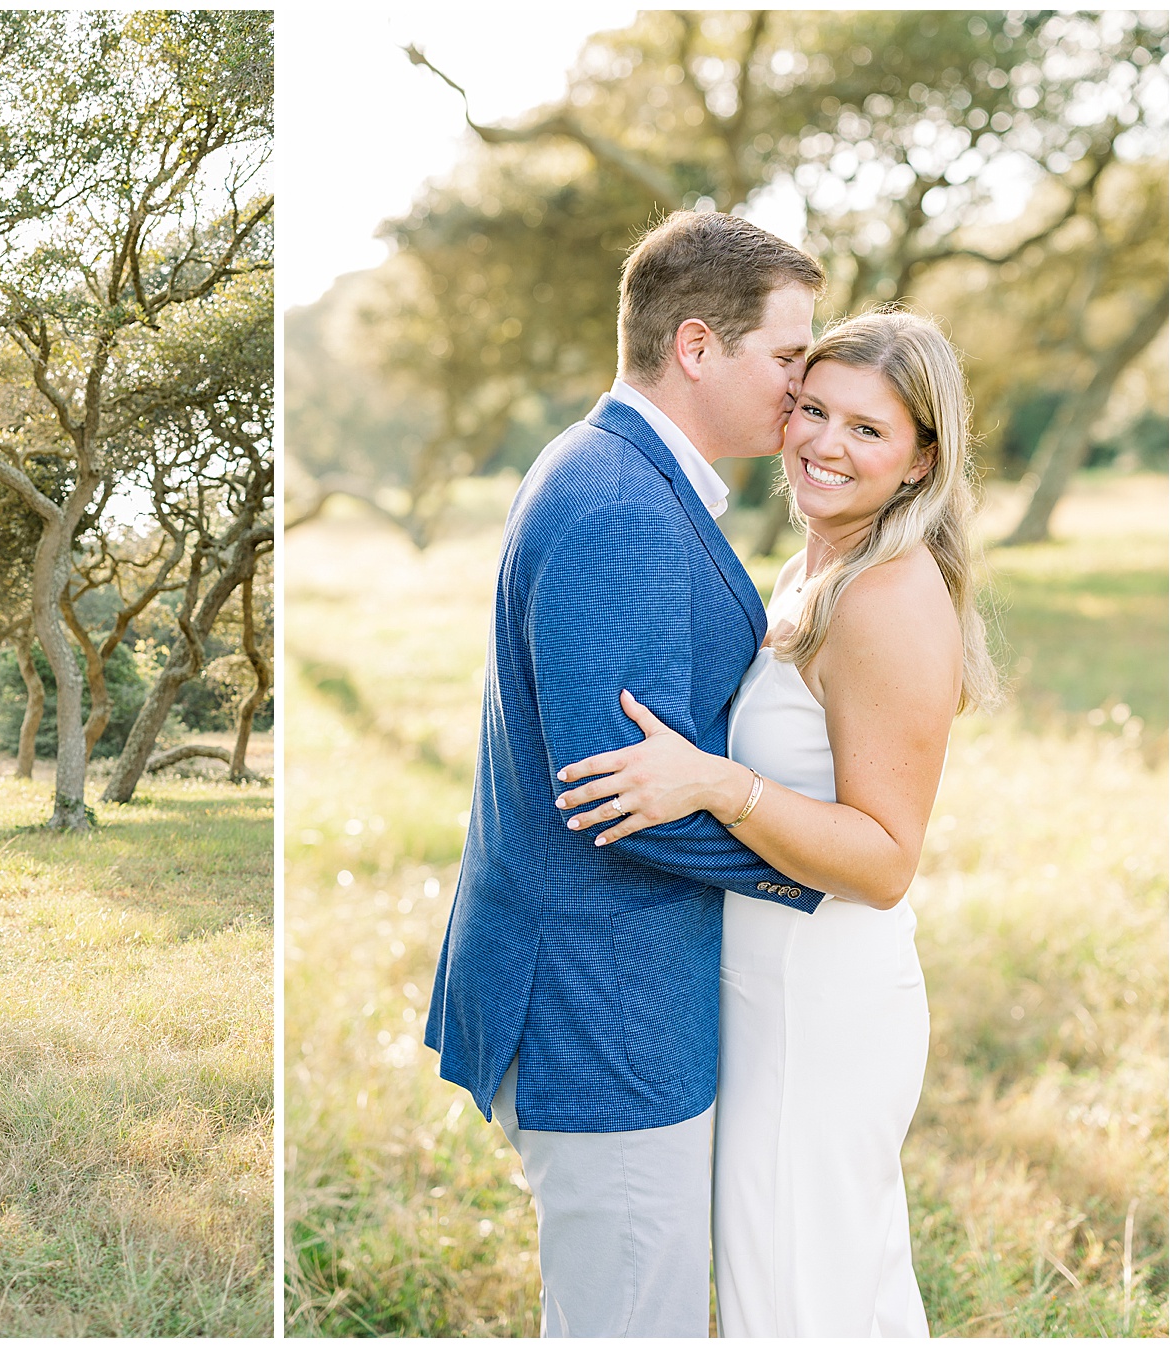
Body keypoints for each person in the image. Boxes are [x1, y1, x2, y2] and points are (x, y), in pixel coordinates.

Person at [423, 210, 832, 1337]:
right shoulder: (616, 505)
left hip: (619, 988)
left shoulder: (621, 472)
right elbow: (619, 793)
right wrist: (827, 868)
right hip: (604, 1007)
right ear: (697, 346)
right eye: (789, 358)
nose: (803, 391)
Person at [553, 309, 996, 1336]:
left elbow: (886, 861)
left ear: (922, 459)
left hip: (819, 1006)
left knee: (801, 1299)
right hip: (766, 988)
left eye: (867, 430)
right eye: (812, 408)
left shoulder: (887, 595)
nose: (824, 443)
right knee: (814, 1288)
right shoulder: (816, 568)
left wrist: (718, 785)